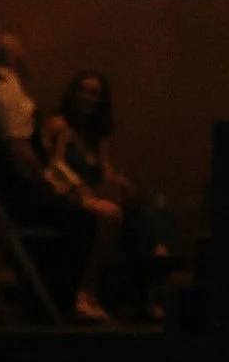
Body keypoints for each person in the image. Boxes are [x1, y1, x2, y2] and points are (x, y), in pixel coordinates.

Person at [0, 33, 98, 319]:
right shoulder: (7, 92)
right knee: (81, 220)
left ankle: (40, 295)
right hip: (10, 193)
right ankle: (58, 302)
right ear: (13, 58)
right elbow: (18, 151)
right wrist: (47, 185)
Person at [42, 73, 171, 320]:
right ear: (73, 93)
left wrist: (119, 181)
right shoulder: (58, 126)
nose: (88, 98)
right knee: (112, 215)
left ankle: (153, 268)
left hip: (95, 192)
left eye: (94, 93)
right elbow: (52, 168)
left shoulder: (96, 136)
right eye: (84, 91)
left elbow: (105, 170)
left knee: (151, 203)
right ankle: (86, 291)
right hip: (70, 194)